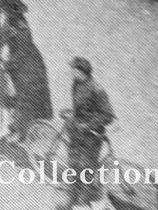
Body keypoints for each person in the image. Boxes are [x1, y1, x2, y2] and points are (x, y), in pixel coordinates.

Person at [0, 0, 51, 140]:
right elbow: (4, 38)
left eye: (4, 9)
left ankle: (22, 134)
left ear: (10, 11)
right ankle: (17, 127)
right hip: (19, 65)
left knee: (24, 99)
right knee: (17, 97)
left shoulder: (21, 28)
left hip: (29, 68)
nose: (2, 12)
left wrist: (7, 64)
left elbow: (22, 52)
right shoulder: (9, 22)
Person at [63, 57, 115, 208]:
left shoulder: (97, 89)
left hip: (91, 136)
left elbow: (107, 115)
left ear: (80, 71)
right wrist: (72, 113)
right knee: (73, 167)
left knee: (86, 170)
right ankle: (71, 200)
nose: (71, 72)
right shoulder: (76, 84)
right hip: (76, 132)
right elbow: (81, 108)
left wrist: (88, 125)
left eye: (73, 69)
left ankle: (82, 203)